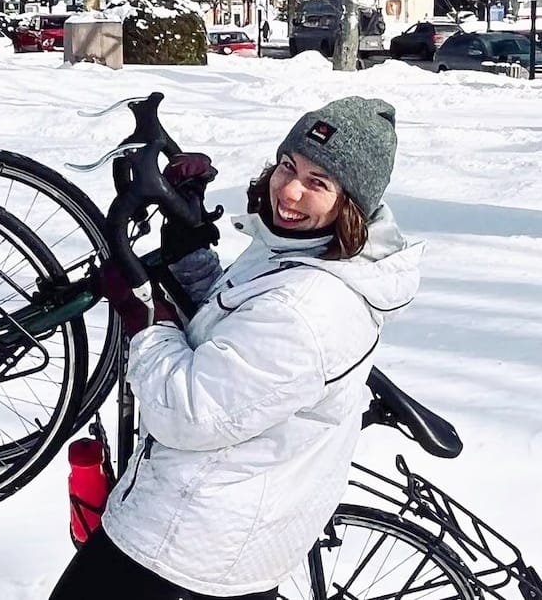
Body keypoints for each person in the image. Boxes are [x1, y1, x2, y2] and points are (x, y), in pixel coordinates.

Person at [51, 97, 423, 599]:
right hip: (215, 530)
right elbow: (232, 334)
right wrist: (187, 250)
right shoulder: (302, 251)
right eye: (288, 166)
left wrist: (144, 319)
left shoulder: (309, 307)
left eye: (318, 182)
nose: (289, 191)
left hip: (187, 550)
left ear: (350, 202)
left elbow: (191, 411)